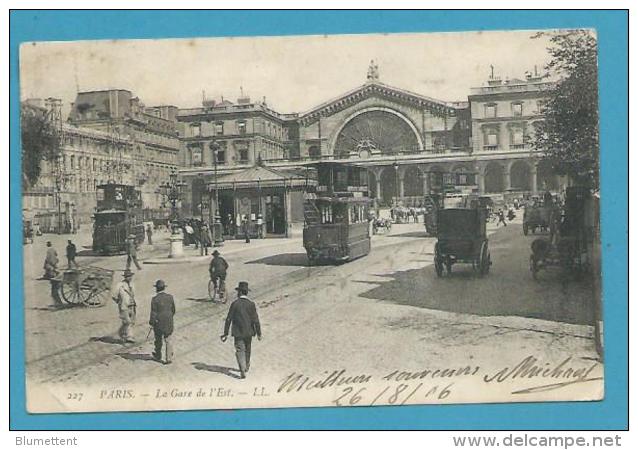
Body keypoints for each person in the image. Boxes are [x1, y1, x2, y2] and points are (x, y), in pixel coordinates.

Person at [221, 281, 261, 379]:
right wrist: (259, 333)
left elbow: (228, 319)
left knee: (240, 350)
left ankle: (242, 368)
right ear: (246, 292)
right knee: (248, 349)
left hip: (238, 332)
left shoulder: (235, 304)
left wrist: (225, 333)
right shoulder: (251, 304)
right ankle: (246, 365)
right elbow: (256, 320)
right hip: (249, 332)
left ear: (239, 292)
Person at [149, 279, 175, 364]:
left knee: (158, 339)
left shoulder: (154, 299)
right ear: (164, 288)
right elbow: (173, 310)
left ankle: (158, 355)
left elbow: (153, 313)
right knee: (168, 339)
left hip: (159, 322)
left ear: (156, 289)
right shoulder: (170, 297)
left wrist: (152, 323)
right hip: (168, 321)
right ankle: (168, 358)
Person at [112, 269, 137, 343]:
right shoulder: (120, 285)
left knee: (132, 321)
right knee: (127, 321)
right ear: (125, 277)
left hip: (132, 305)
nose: (129, 278)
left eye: (130, 276)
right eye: (127, 276)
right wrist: (119, 302)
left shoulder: (132, 284)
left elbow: (133, 294)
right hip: (124, 306)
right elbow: (114, 295)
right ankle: (125, 334)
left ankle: (127, 335)